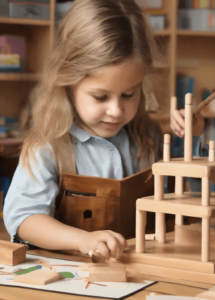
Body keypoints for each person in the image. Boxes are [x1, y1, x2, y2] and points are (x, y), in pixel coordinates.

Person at [3, 0, 168, 261]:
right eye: (101, 97)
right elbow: (24, 218)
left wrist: (191, 133)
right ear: (68, 83)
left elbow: (187, 193)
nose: (116, 110)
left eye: (128, 94)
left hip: (140, 272)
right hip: (73, 276)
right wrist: (82, 239)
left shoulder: (148, 135)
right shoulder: (49, 145)